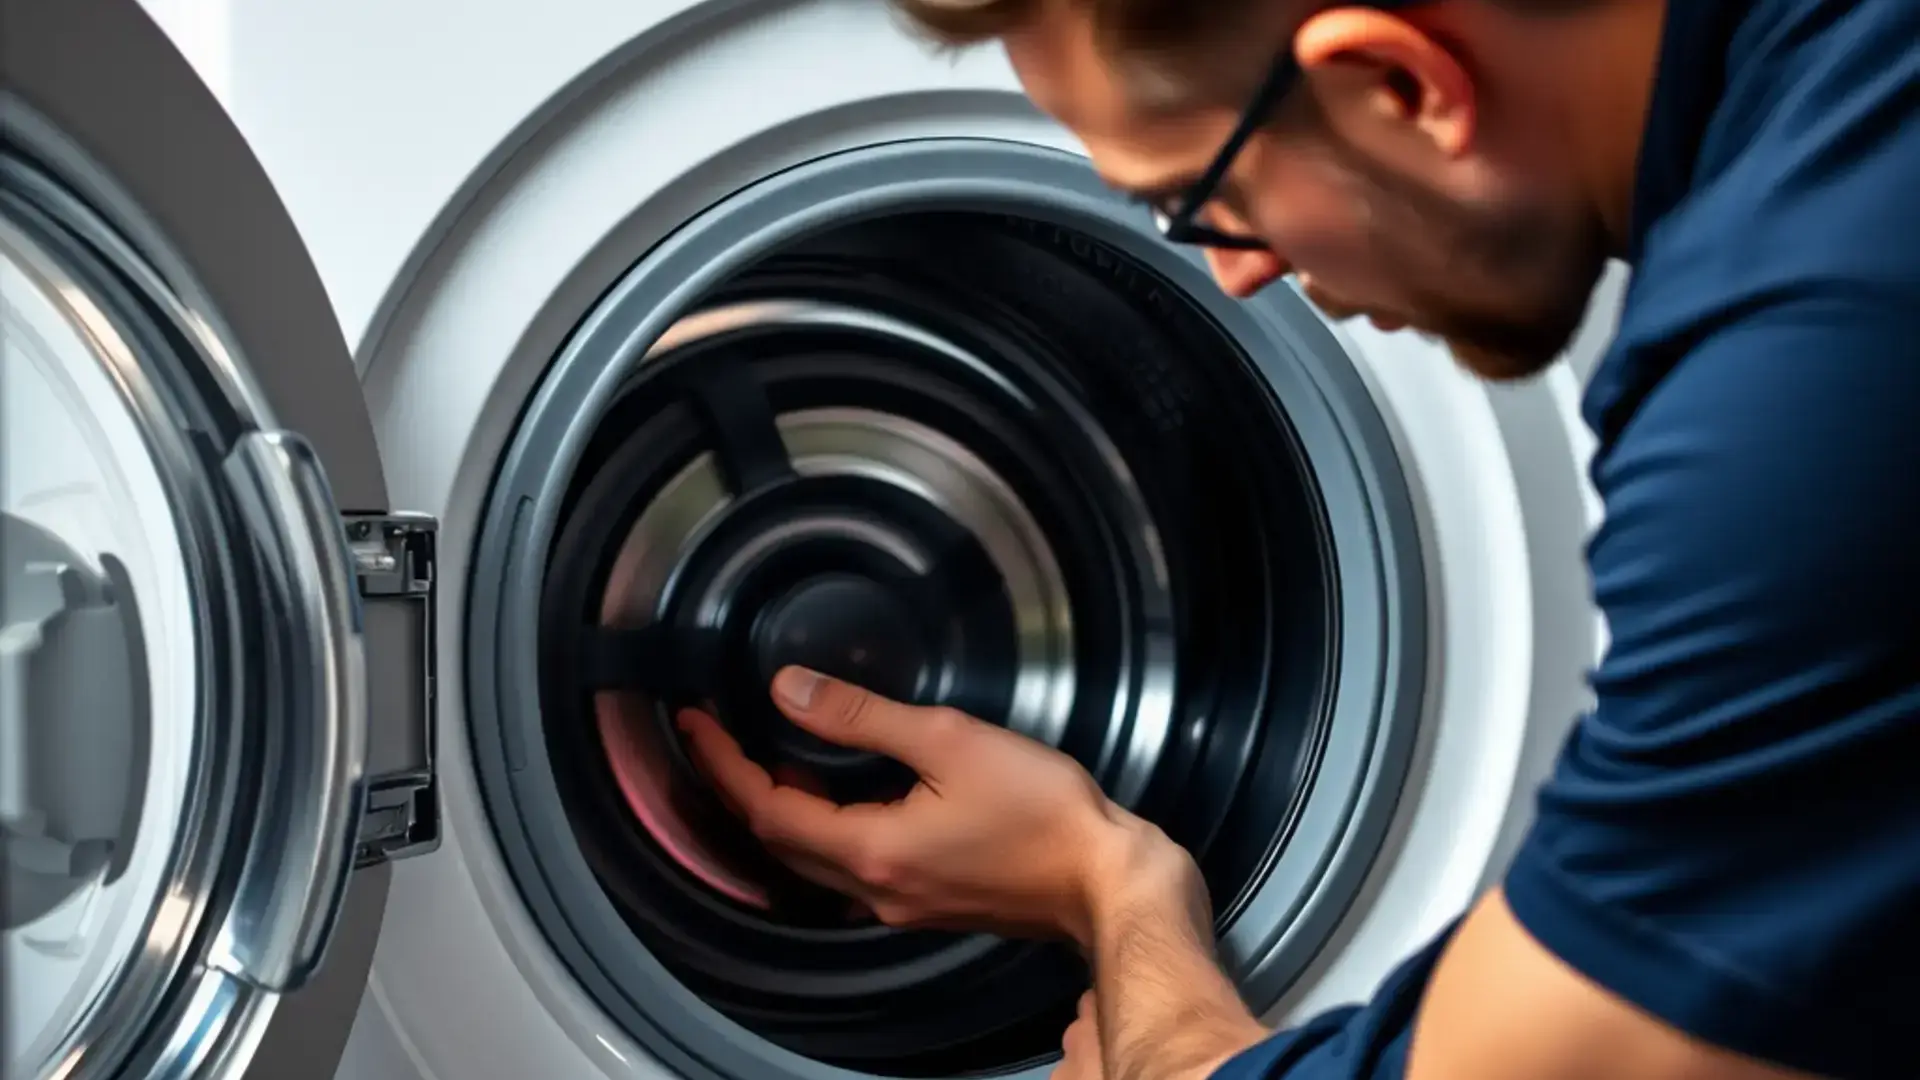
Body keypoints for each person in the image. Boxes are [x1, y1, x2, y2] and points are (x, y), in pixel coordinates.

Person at [677, 0, 1920, 1077]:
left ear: (1400, 85)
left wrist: (1113, 892)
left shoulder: (1802, 398)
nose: (1239, 275)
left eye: (1203, 200)